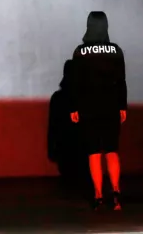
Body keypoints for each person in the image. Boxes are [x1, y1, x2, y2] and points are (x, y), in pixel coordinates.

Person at [69, 11, 128, 211]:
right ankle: (117, 193)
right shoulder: (116, 51)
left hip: (88, 107)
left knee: (93, 152)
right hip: (111, 106)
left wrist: (74, 107)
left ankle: (98, 195)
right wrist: (122, 106)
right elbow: (121, 81)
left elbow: (75, 83)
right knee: (112, 151)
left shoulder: (80, 52)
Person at [48, 60, 89, 194]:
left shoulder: (57, 98)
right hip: (81, 147)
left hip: (64, 148)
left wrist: (51, 149)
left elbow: (52, 126)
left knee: (68, 185)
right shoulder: (84, 97)